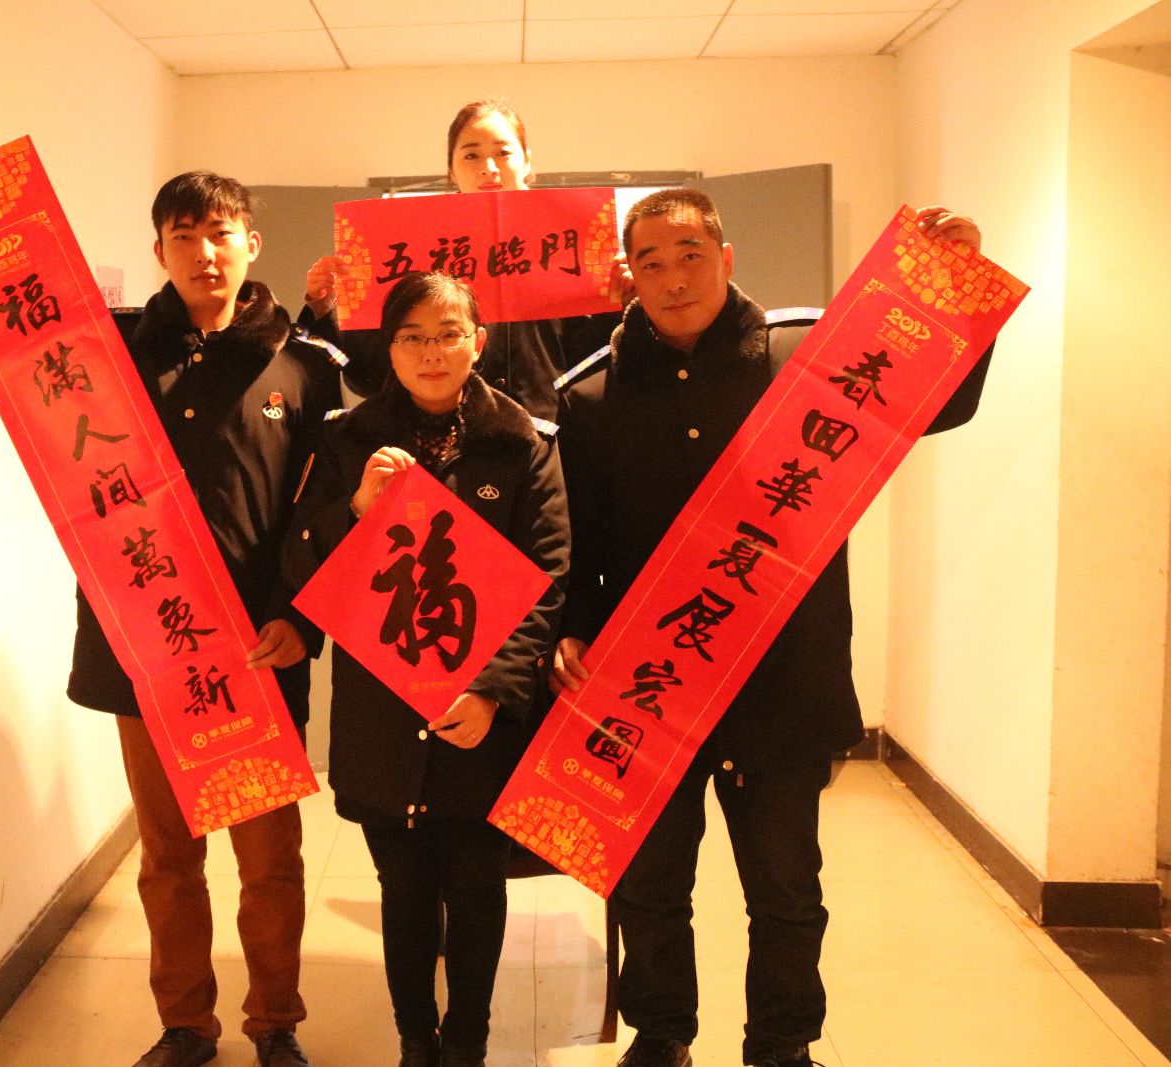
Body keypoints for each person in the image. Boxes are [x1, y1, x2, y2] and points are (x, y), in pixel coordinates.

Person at [0, 171, 341, 1067]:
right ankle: (186, 1025)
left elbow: (323, 508)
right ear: (159, 252)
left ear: (251, 243)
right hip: (147, 643)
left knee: (269, 860)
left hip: (257, 650)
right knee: (169, 855)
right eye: (184, 237)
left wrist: (302, 618)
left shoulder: (300, 366)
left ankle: (275, 1022)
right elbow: (2, 369)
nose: (204, 252)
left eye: (220, 233)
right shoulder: (112, 350)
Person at [552, 188, 990, 1067]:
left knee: (786, 888)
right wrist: (572, 629)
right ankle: (661, 1033)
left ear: (726, 256)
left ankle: (782, 1043)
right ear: (629, 276)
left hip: (782, 678)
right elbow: (584, 540)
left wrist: (956, 281)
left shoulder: (807, 356)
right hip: (651, 684)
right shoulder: (593, 395)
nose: (674, 278)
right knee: (649, 883)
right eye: (651, 263)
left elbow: (935, 400)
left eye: (690, 255)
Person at [282, 272, 569, 1067]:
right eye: (412, 337)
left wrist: (494, 689)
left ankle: (467, 1040)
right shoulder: (347, 441)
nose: (431, 352)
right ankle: (416, 1037)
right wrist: (357, 510)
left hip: (482, 712)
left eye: (448, 334)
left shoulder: (524, 442)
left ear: (478, 341)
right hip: (382, 707)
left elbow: (550, 577)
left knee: (477, 885)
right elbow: (301, 567)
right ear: (389, 348)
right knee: (403, 888)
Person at [298, 99, 630, 422]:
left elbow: (595, 363)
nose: (489, 167)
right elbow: (371, 368)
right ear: (451, 170)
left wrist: (624, 303)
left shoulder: (570, 240)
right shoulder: (407, 242)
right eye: (471, 155)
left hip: (546, 431)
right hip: (440, 433)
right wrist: (327, 306)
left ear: (527, 161)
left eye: (503, 152)